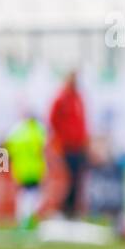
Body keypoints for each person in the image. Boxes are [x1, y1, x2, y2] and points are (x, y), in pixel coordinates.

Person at [49, 73, 88, 218]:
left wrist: (84, 140)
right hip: (67, 145)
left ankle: (72, 209)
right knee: (67, 178)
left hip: (78, 145)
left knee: (77, 178)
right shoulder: (61, 98)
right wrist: (61, 138)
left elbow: (82, 122)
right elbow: (53, 119)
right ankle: (64, 209)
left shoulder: (78, 98)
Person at [4, 115, 46, 226]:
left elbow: (8, 149)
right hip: (34, 169)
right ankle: (27, 218)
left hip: (20, 169)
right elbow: (42, 149)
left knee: (24, 194)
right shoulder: (37, 132)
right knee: (34, 195)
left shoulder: (17, 133)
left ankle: (23, 218)